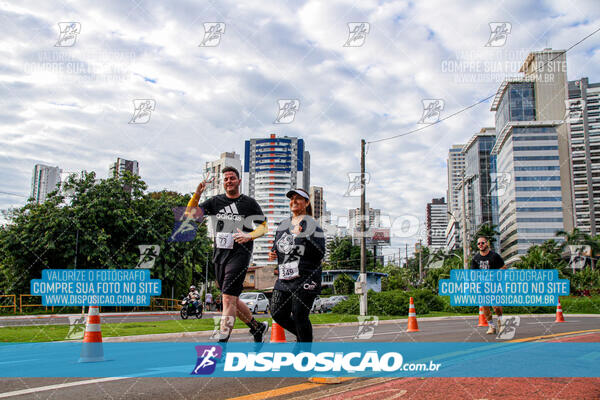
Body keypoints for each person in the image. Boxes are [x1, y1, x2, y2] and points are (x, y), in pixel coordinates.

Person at [186, 166, 269, 342]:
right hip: (220, 254)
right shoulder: (215, 201)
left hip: (240, 253)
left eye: (232, 178)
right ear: (223, 183)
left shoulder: (249, 203)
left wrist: (249, 235)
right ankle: (257, 327)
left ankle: (222, 340)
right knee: (231, 298)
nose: (229, 181)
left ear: (239, 181)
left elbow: (264, 227)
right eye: (226, 179)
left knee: (227, 298)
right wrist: (197, 194)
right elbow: (190, 215)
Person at [268, 188, 325, 342]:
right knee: (277, 313)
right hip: (284, 277)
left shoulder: (312, 225)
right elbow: (277, 246)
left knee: (299, 315)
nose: (294, 201)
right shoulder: (283, 224)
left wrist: (305, 237)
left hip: (306, 277)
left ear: (306, 203)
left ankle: (303, 352)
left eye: (299, 198)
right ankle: (303, 339)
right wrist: (273, 252)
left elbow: (320, 253)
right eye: (292, 198)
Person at [471, 236, 506, 334]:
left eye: (482, 243)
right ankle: (491, 326)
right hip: (482, 286)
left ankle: (501, 321)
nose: (481, 245)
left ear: (487, 243)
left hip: (495, 285)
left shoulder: (494, 256)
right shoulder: (475, 258)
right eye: (478, 244)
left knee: (497, 307)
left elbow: (504, 267)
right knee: (485, 307)